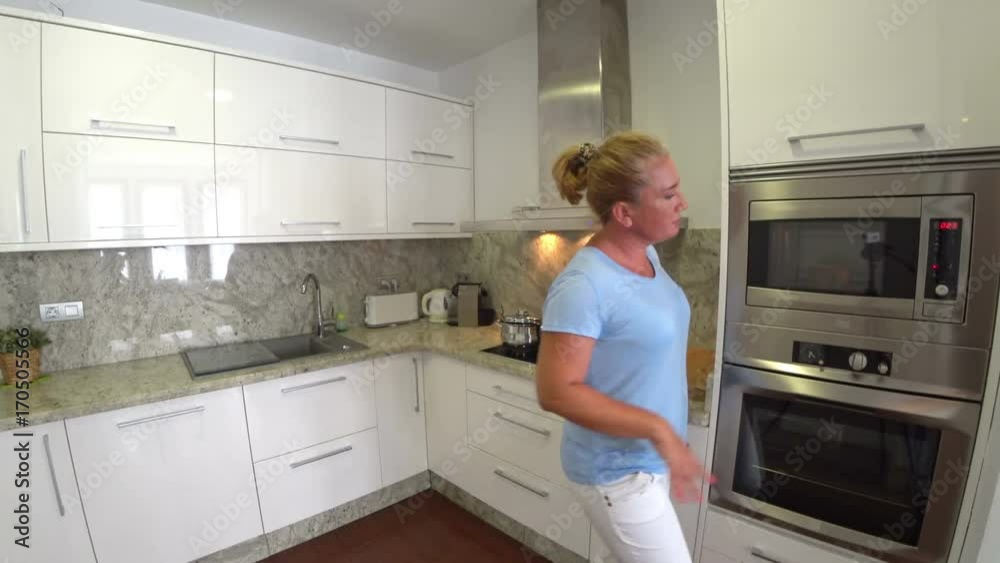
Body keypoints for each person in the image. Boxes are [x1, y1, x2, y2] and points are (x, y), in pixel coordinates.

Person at [535, 132, 713, 563]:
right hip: (616, 474)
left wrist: (670, 438)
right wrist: (658, 430)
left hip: (649, 461)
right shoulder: (584, 285)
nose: (683, 202)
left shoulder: (647, 256)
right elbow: (555, 392)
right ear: (624, 213)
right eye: (668, 194)